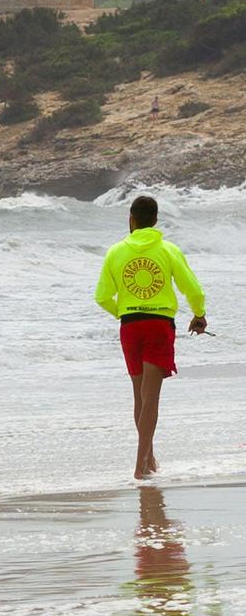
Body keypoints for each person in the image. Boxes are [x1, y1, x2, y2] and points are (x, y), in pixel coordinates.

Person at [95, 195, 207, 480]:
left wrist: (123, 312)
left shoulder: (115, 252)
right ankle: (140, 464)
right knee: (151, 397)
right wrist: (199, 314)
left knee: (139, 395)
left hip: (130, 326)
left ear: (131, 220)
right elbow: (191, 288)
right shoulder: (168, 250)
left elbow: (102, 297)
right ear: (155, 221)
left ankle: (150, 458)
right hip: (159, 325)